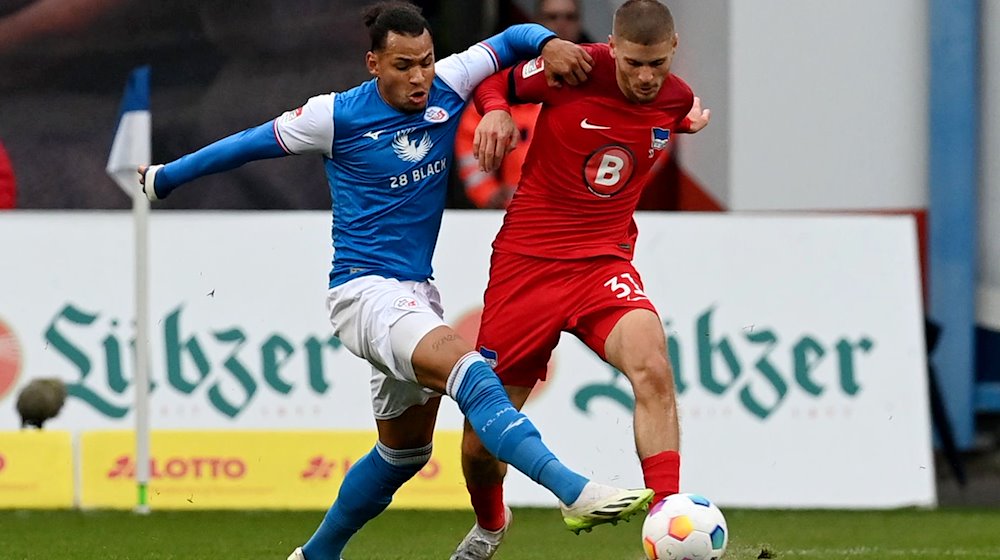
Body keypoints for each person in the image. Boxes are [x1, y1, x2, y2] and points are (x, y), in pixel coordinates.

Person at [136, 3, 653, 559]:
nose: (419, 77)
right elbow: (245, 145)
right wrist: (165, 177)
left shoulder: (449, 82)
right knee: (472, 373)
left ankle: (314, 555)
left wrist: (546, 43)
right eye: (404, 65)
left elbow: (509, 40)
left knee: (403, 455)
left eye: (426, 62)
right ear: (373, 64)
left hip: (415, 293)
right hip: (364, 293)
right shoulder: (332, 116)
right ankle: (572, 491)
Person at [450, 1, 711, 559]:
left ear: (674, 50)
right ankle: (491, 523)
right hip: (528, 265)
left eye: (657, 65)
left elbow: (664, 115)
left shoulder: (677, 97)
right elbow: (494, 80)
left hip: (602, 264)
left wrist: (682, 118)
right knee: (479, 444)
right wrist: (495, 110)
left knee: (653, 366)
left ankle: (666, 519)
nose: (646, 77)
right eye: (635, 63)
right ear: (612, 47)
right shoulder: (574, 68)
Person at [454, 0, 589, 209]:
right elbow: (470, 138)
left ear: (580, 23)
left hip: (581, 210)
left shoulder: (597, 78)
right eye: (552, 17)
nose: (561, 24)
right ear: (536, 23)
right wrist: (486, 191)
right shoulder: (515, 77)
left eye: (569, 17)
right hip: (516, 210)